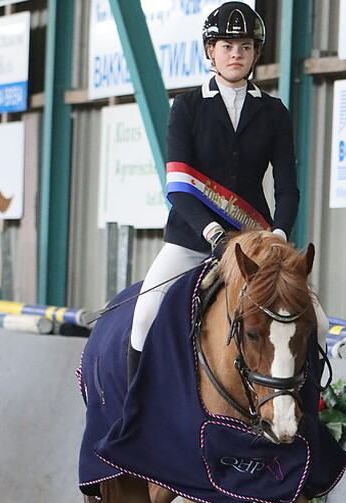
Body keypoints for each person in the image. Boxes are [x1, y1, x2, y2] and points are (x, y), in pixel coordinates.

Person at [128, 1, 327, 381]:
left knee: (318, 322)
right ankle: (134, 408)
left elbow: (288, 189)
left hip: (255, 243)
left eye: (245, 47)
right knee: (145, 315)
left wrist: (278, 235)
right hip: (191, 239)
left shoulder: (274, 112)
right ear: (211, 51)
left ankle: (305, 407)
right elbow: (179, 188)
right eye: (227, 46)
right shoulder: (186, 107)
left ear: (255, 54)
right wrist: (213, 233)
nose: (236, 54)